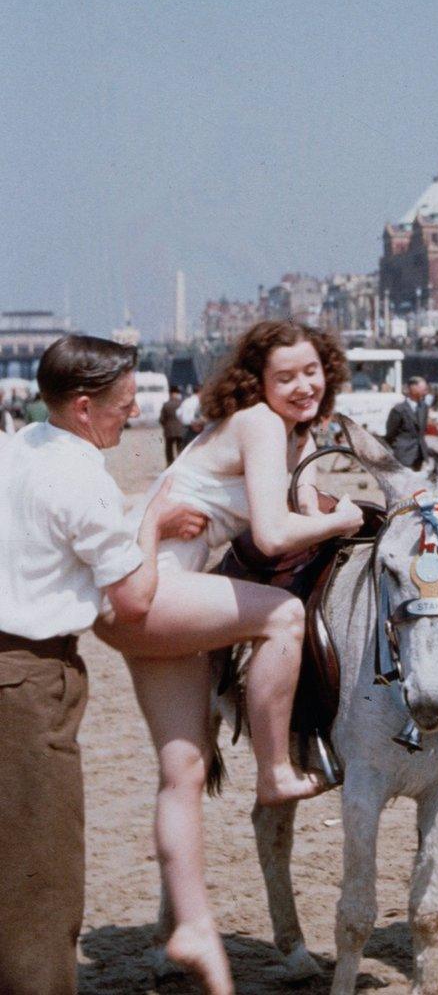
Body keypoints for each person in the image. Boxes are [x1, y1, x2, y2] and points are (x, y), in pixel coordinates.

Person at [96, 320, 363, 994]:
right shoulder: (260, 426)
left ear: (327, 368)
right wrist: (345, 518)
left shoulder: (287, 436)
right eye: (286, 377)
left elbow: (300, 506)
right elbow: (276, 536)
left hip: (141, 590)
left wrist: (339, 511)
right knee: (284, 616)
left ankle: (180, 930)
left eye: (312, 371)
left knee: (183, 767)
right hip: (151, 584)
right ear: (257, 384)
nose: (304, 385)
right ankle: (274, 771)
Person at [0, 334, 205, 995]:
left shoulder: (20, 447)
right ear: (84, 408)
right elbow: (136, 599)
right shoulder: (80, 473)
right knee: (39, 876)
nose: (133, 415)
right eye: (123, 405)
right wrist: (152, 525)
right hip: (28, 678)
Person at [384, 375, 430, 469]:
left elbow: (422, 430)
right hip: (403, 455)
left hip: (419, 455)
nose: (425, 391)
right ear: (412, 388)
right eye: (422, 388)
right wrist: (399, 447)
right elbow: (390, 434)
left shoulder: (424, 407)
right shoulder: (398, 410)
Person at [159, 384, 184, 465]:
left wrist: (165, 425)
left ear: (170, 393)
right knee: (180, 449)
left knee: (169, 449)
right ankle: (181, 464)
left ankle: (170, 464)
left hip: (169, 431)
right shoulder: (182, 404)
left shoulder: (166, 404)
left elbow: (162, 419)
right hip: (180, 430)